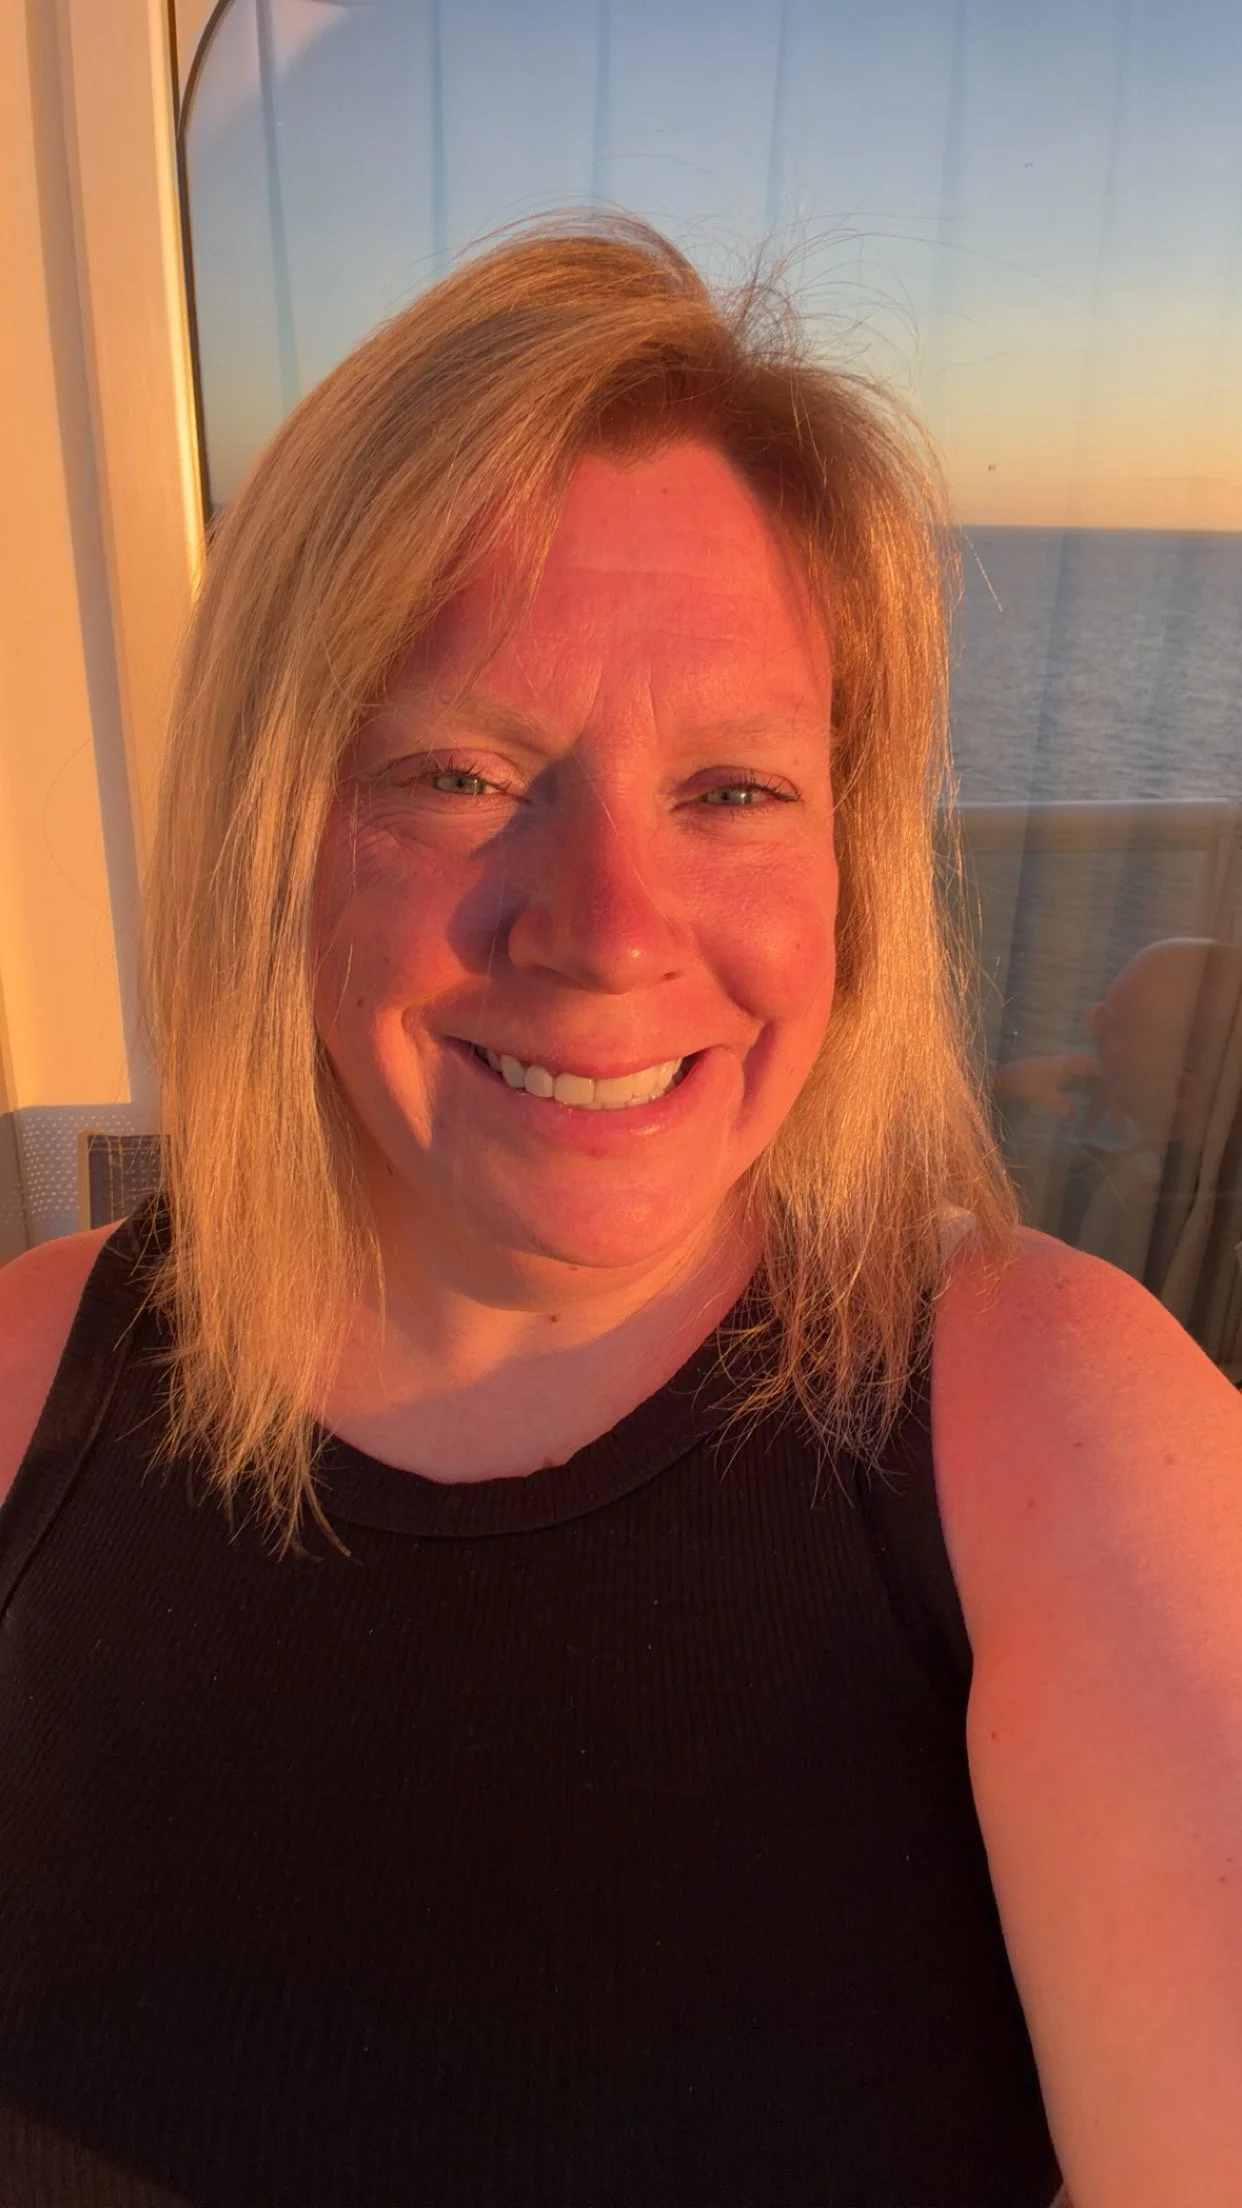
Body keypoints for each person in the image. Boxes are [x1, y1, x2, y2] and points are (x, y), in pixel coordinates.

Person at [0, 215, 1238, 2208]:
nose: (608, 934)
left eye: (735, 792)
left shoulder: (1060, 1432)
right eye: (465, 773)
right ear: (276, 828)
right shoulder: (29, 1383)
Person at [995, 939, 1242, 1343]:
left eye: (1118, 1026)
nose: (1090, 1024)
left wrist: (1003, 1098)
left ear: (1180, 1091)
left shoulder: (1139, 1204)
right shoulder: (1196, 1185)